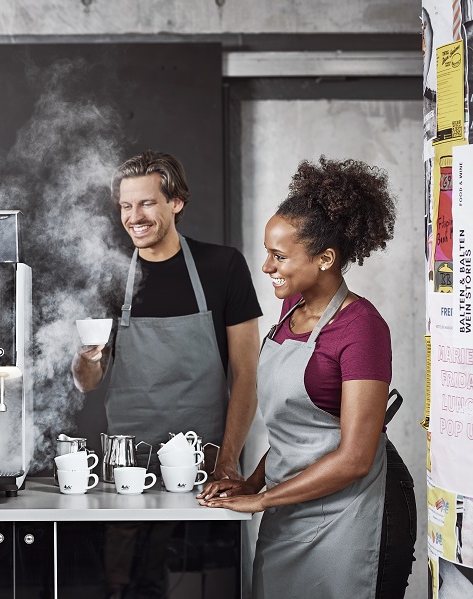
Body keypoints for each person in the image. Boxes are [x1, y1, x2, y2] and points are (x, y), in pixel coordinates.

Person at [198, 157, 417, 598]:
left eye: (278, 256)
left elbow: (354, 458)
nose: (266, 267)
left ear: (325, 258)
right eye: (267, 252)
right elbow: (295, 434)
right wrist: (253, 482)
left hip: (355, 509)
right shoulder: (289, 311)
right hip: (291, 503)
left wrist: (260, 500)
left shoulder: (362, 327)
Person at [72, 149, 261, 479]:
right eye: (126, 206)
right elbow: (88, 382)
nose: (134, 217)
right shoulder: (109, 276)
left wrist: (227, 461)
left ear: (176, 202)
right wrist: (85, 359)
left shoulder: (223, 267)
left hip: (205, 461)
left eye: (147, 203)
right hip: (127, 464)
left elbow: (248, 376)